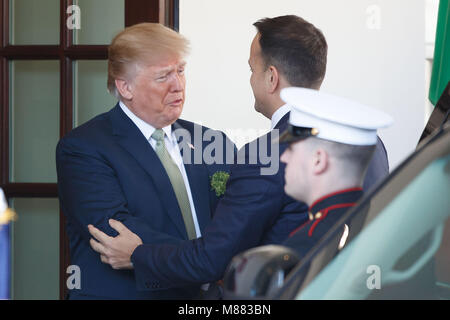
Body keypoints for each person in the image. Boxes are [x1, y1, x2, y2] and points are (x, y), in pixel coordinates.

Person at [87, 15, 390, 293]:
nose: (250, 79)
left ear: (271, 78)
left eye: (252, 69)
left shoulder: (262, 152)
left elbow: (213, 259)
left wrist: (139, 255)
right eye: (164, 75)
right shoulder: (370, 142)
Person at [56, 23, 234, 299]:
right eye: (163, 76)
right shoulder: (84, 147)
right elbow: (115, 232)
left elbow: (239, 219)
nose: (178, 85)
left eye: (181, 70)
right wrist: (207, 259)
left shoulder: (212, 141)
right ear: (125, 87)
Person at [278, 87, 392, 257]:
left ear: (318, 161)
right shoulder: (392, 232)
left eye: (291, 149)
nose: (284, 158)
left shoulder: (308, 244)